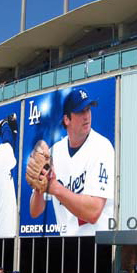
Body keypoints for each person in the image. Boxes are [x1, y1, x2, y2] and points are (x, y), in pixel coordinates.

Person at [29, 87, 115, 236]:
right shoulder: (54, 152)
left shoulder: (102, 147)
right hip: (67, 245)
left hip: (98, 244)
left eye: (88, 110)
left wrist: (54, 187)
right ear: (66, 119)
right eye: (80, 111)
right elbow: (35, 211)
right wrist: (38, 188)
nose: (86, 116)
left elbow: (93, 212)